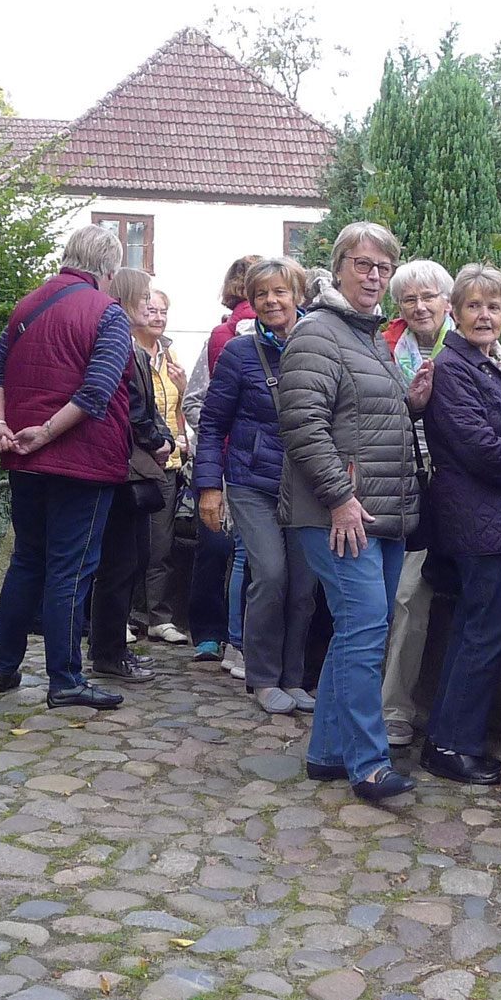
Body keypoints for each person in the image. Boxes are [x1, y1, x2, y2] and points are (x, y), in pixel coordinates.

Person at [279, 223, 431, 804]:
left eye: (382, 268)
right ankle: (368, 765)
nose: (373, 276)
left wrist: (408, 404)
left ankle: (327, 752)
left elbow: (360, 419)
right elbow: (301, 424)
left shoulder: (368, 337)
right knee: (366, 631)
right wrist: (340, 498)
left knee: (359, 631)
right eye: (362, 264)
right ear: (338, 267)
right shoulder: (319, 332)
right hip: (338, 514)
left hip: (383, 514)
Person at [0, 225, 135, 710]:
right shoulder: (107, 313)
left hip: (25, 462)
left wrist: (0, 425)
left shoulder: (27, 306)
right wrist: (47, 432)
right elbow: (96, 392)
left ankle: (3, 668)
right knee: (71, 569)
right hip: (81, 462)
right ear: (109, 270)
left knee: (28, 560)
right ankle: (65, 678)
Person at [417, 263, 501, 785]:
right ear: (455, 313)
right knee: (483, 630)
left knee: (476, 627)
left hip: (489, 520)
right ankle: (452, 746)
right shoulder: (455, 366)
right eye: (474, 306)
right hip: (476, 521)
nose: (484, 315)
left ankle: (445, 742)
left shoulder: (482, 364)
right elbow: (478, 446)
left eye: (494, 307)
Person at [197, 256, 319, 715]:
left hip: (308, 484)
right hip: (253, 481)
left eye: (280, 292)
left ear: (298, 296)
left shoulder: (319, 344)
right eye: (262, 294)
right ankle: (263, 677)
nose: (271, 301)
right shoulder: (239, 353)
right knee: (269, 574)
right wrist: (210, 485)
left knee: (305, 585)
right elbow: (212, 424)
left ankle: (294, 677)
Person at [380, 257, 455, 748]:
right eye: (410, 298)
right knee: (407, 596)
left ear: (447, 301)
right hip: (408, 484)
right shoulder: (386, 348)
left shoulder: (478, 340)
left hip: (462, 485)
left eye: (429, 296)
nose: (420, 306)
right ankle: (394, 709)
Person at [87, 268, 175, 683]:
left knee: (125, 560)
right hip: (124, 465)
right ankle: (108, 652)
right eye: (143, 299)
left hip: (119, 462)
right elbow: (136, 408)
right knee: (122, 561)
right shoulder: (123, 342)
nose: (150, 308)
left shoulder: (125, 341)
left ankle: (109, 648)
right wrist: (162, 442)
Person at [184, 255, 261, 670]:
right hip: (246, 461)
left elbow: (195, 403)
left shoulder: (220, 335)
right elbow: (201, 404)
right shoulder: (235, 337)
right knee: (240, 553)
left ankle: (216, 637)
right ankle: (235, 641)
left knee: (217, 550)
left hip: (223, 459)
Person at [132, 288, 191, 644]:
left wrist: (183, 389)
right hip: (134, 463)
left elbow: (177, 408)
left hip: (168, 463)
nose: (158, 317)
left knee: (161, 545)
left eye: (163, 311)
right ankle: (122, 615)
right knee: (126, 545)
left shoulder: (168, 354)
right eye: (151, 310)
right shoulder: (127, 351)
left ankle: (158, 617)